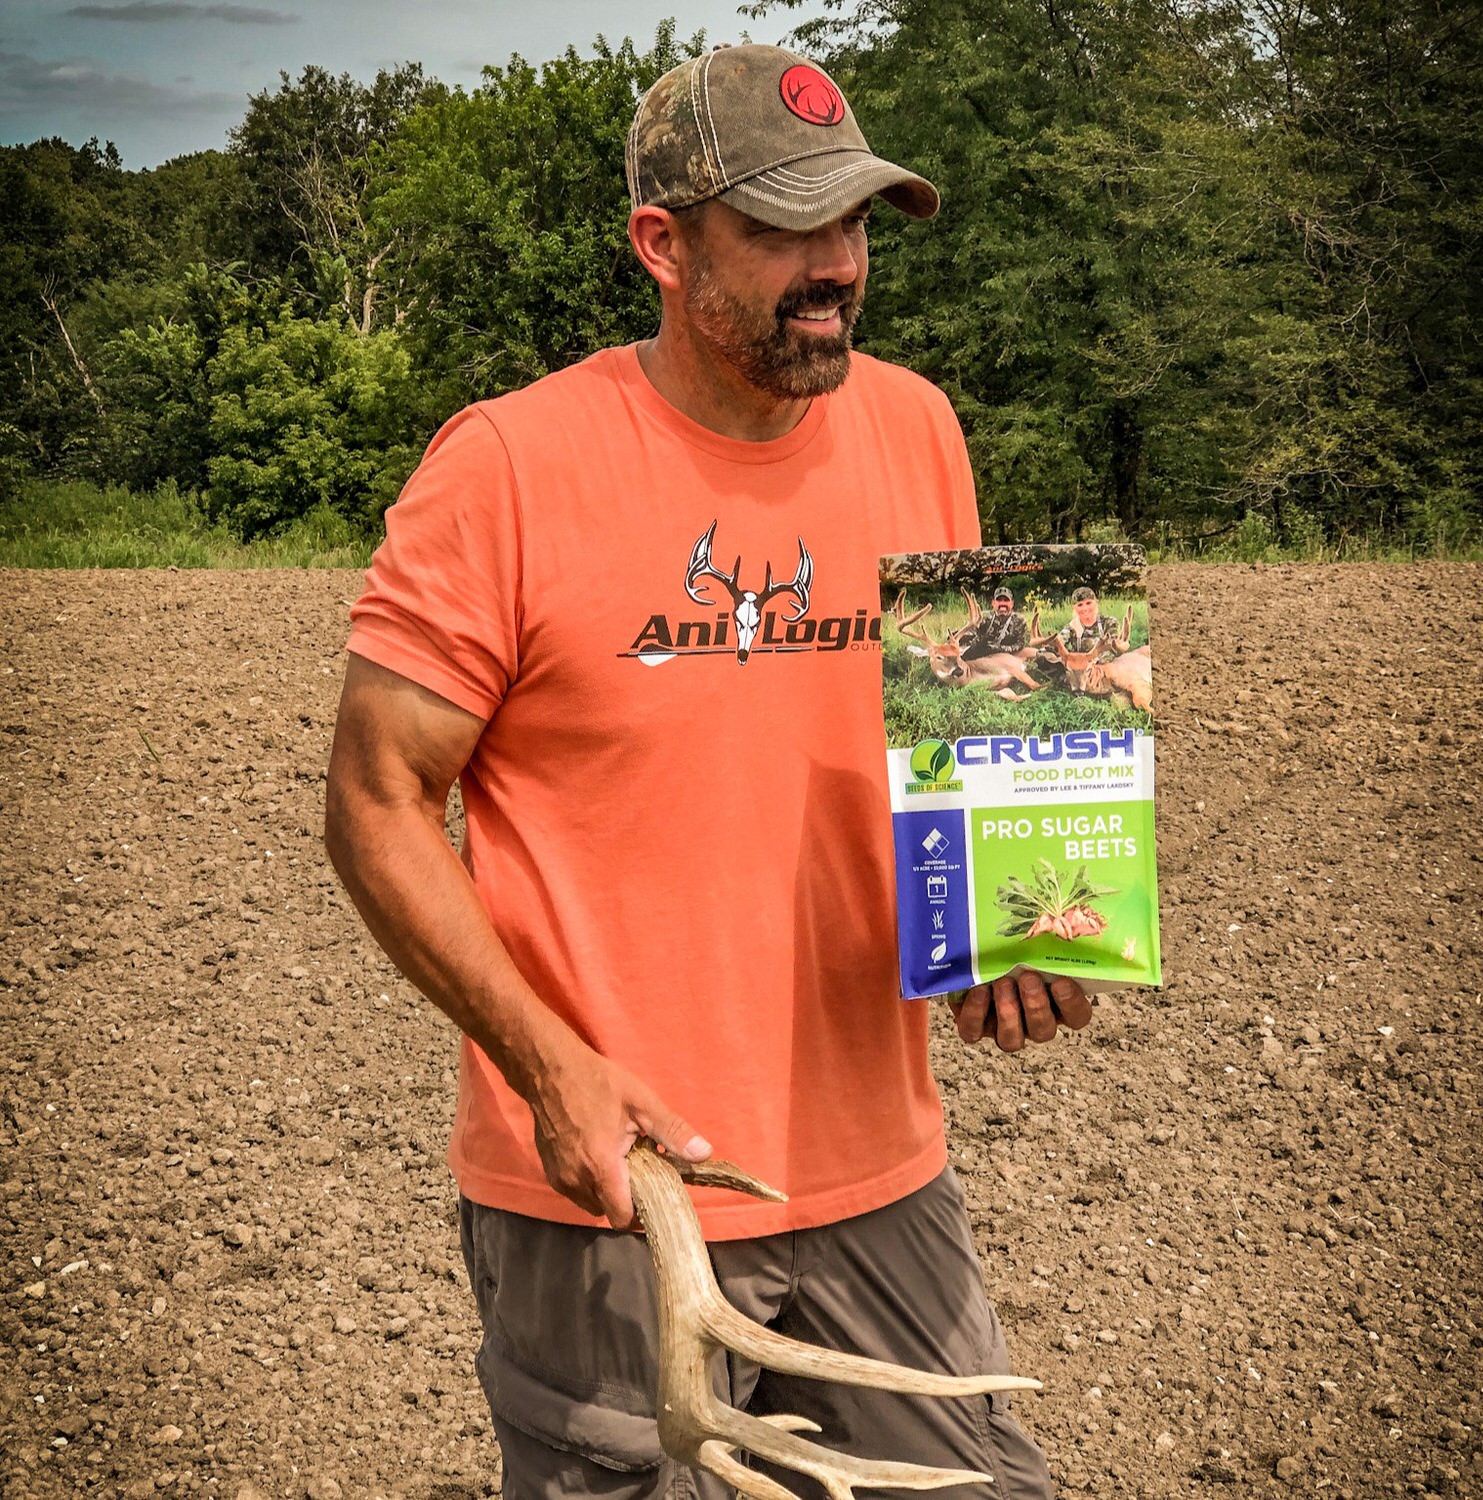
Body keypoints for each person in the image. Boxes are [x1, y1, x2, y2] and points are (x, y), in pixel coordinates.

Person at [324, 42, 1091, 1500]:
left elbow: (965, 731)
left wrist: (1020, 918)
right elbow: (373, 801)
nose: (839, 267)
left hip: (882, 1167)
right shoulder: (508, 469)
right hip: (624, 1196)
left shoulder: (918, 424)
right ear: (661, 244)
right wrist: (548, 1072)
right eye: (788, 228)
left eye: (856, 223)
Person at [961, 586, 1031, 659]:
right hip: (983, 656)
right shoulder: (984, 618)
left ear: (1012, 603)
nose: (1002, 603)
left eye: (1006, 600)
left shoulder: (1019, 621)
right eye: (999, 600)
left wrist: (999, 649)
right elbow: (972, 632)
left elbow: (1021, 644)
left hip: (1008, 658)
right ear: (993, 603)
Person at [1055, 585, 1123, 654]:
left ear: (1096, 603)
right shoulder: (1072, 627)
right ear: (1074, 608)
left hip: (1105, 664)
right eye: (1080, 605)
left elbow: (1113, 649)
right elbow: (1059, 643)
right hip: (1079, 664)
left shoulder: (1109, 623)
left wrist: (1092, 660)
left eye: (1088, 603)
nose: (1085, 608)